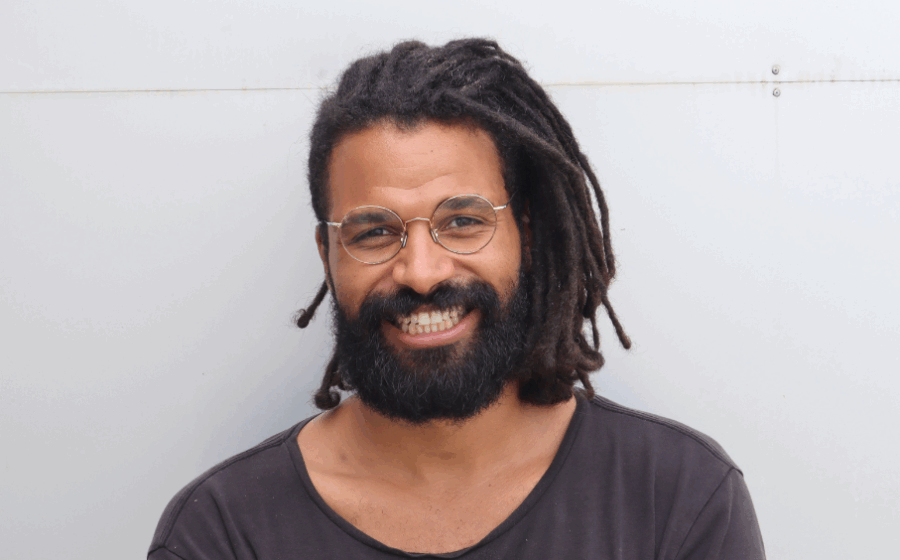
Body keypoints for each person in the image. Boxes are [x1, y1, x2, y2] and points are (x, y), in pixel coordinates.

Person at [148, 38, 765, 559]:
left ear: (526, 234)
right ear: (327, 255)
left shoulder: (676, 498)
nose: (420, 272)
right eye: (374, 232)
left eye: (463, 221)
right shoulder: (221, 534)